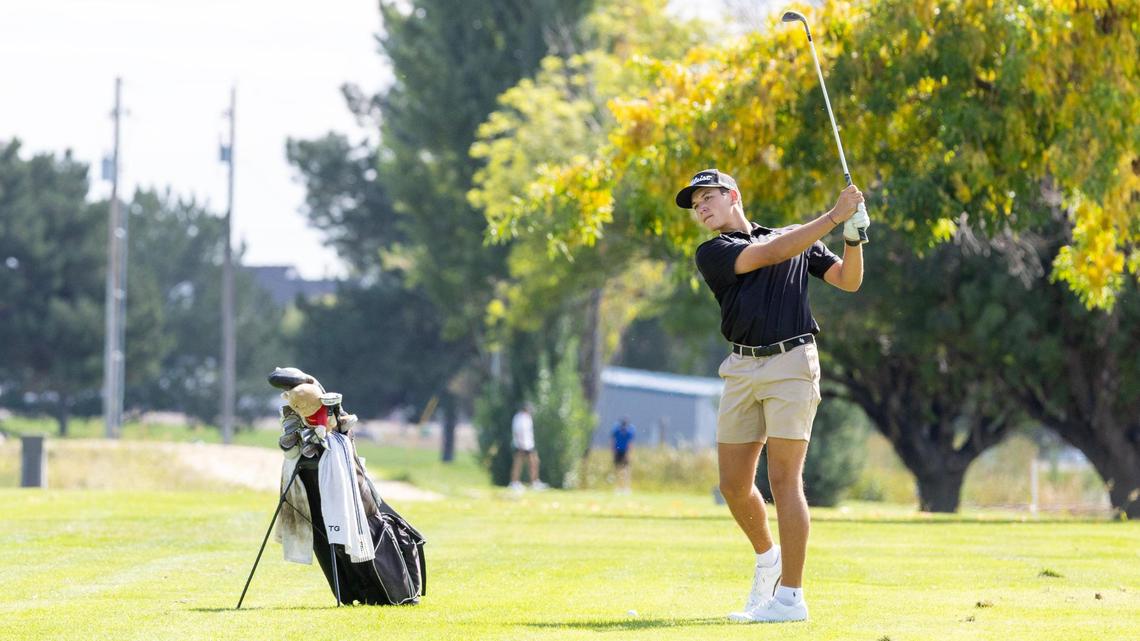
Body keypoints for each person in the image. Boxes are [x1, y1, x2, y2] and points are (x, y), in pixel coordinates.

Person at [675, 168, 868, 623]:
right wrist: (834, 215)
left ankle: (791, 599)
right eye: (696, 204)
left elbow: (847, 280)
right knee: (734, 485)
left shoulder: (793, 237)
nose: (701, 208)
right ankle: (769, 559)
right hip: (741, 367)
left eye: (707, 198)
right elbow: (771, 253)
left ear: (733, 196)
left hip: (792, 364)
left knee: (784, 481)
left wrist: (853, 238)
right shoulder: (714, 252)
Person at [509, 404, 547, 491]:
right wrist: (521, 445)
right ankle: (514, 482)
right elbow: (518, 432)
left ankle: (534, 482)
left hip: (529, 444)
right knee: (518, 464)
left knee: (534, 462)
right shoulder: (519, 417)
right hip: (521, 445)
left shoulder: (527, 418)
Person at [611, 417, 636, 493]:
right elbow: (613, 441)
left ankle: (626, 487)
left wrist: (630, 453)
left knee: (626, 470)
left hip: (625, 451)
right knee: (618, 469)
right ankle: (619, 487)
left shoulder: (629, 432)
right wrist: (613, 450)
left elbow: (630, 443)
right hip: (618, 451)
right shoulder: (617, 431)